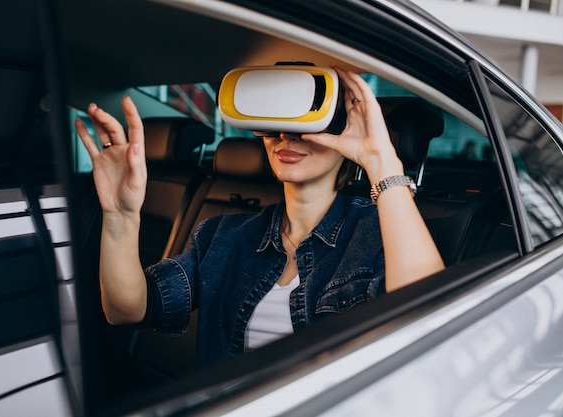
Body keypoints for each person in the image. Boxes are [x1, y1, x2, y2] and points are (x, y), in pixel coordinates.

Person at [75, 67, 444, 366]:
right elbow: (127, 309)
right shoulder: (223, 236)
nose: (288, 133)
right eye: (275, 119)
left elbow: (429, 322)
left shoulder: (386, 234)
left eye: (310, 120)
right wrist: (120, 216)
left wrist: (380, 161)